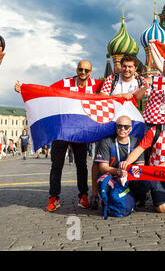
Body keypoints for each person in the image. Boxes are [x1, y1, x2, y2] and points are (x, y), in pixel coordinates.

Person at [15, 60, 103, 211]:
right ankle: (54, 198)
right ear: (76, 70)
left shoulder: (96, 85)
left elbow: (111, 91)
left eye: (86, 70)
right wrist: (24, 88)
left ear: (91, 72)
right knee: (57, 166)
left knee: (81, 165)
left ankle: (83, 196)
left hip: (80, 132)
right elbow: (44, 91)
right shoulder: (65, 83)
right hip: (61, 131)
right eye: (80, 69)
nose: (83, 72)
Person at [90, 54, 147, 209]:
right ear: (120, 66)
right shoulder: (112, 79)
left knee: (134, 159)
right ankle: (95, 193)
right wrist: (122, 96)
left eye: (130, 67)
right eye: (124, 66)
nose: (126, 69)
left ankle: (133, 192)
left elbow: (141, 96)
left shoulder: (140, 81)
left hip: (132, 124)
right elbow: (102, 98)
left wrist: (146, 87)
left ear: (135, 69)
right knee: (99, 159)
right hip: (111, 122)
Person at [94, 115, 144, 185]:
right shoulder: (106, 142)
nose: (122, 129)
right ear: (116, 127)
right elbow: (103, 168)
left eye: (126, 127)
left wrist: (126, 173)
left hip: (130, 175)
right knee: (103, 182)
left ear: (131, 129)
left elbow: (140, 166)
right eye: (119, 126)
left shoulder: (137, 143)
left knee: (144, 184)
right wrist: (118, 172)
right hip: (111, 176)